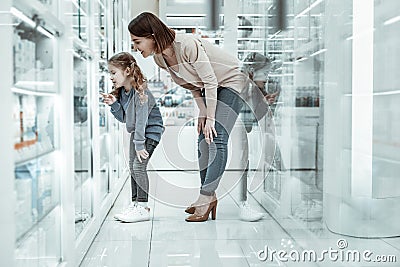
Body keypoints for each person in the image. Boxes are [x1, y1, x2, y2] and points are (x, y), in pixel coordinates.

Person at [128, 12, 268, 222]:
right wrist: (203, 111)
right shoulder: (159, 58)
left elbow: (210, 81)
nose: (135, 48)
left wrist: (210, 118)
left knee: (216, 136)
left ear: (152, 35)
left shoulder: (186, 45)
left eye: (138, 42)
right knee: (203, 137)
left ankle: (205, 197)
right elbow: (190, 85)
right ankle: (207, 195)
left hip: (232, 81)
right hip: (209, 89)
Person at [102, 52, 164, 223]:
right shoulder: (123, 92)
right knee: (132, 167)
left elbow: (143, 120)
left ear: (128, 70)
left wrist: (139, 144)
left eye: (113, 73)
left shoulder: (140, 91)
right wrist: (114, 104)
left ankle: (143, 207)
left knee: (138, 167)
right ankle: (135, 204)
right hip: (138, 133)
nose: (111, 77)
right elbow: (124, 119)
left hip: (150, 132)